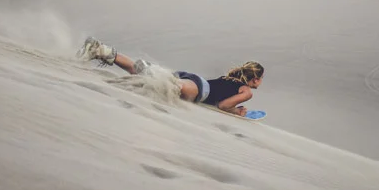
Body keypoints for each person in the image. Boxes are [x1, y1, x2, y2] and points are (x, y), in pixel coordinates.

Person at [77, 37, 264, 116]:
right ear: (255, 79)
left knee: (144, 73)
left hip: (194, 81)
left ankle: (103, 50)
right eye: (261, 79)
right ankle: (148, 70)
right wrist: (237, 112)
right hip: (198, 90)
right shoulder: (247, 92)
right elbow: (222, 105)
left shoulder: (230, 79)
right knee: (162, 83)